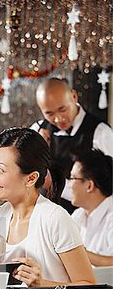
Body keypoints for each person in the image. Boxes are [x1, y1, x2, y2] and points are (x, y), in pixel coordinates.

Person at [0, 127, 96, 287]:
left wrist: (43, 284)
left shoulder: (55, 218)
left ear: (31, 178)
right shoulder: (0, 215)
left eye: (0, 169)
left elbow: (89, 285)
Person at [31, 77, 113, 213]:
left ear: (74, 97)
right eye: (49, 113)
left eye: (62, 109)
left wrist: (54, 183)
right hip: (44, 216)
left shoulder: (100, 133)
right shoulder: (37, 130)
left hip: (85, 221)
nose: (58, 119)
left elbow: (107, 189)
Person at [69, 149, 113, 266]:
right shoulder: (78, 215)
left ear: (89, 185)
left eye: (73, 178)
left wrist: (75, 252)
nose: (69, 185)